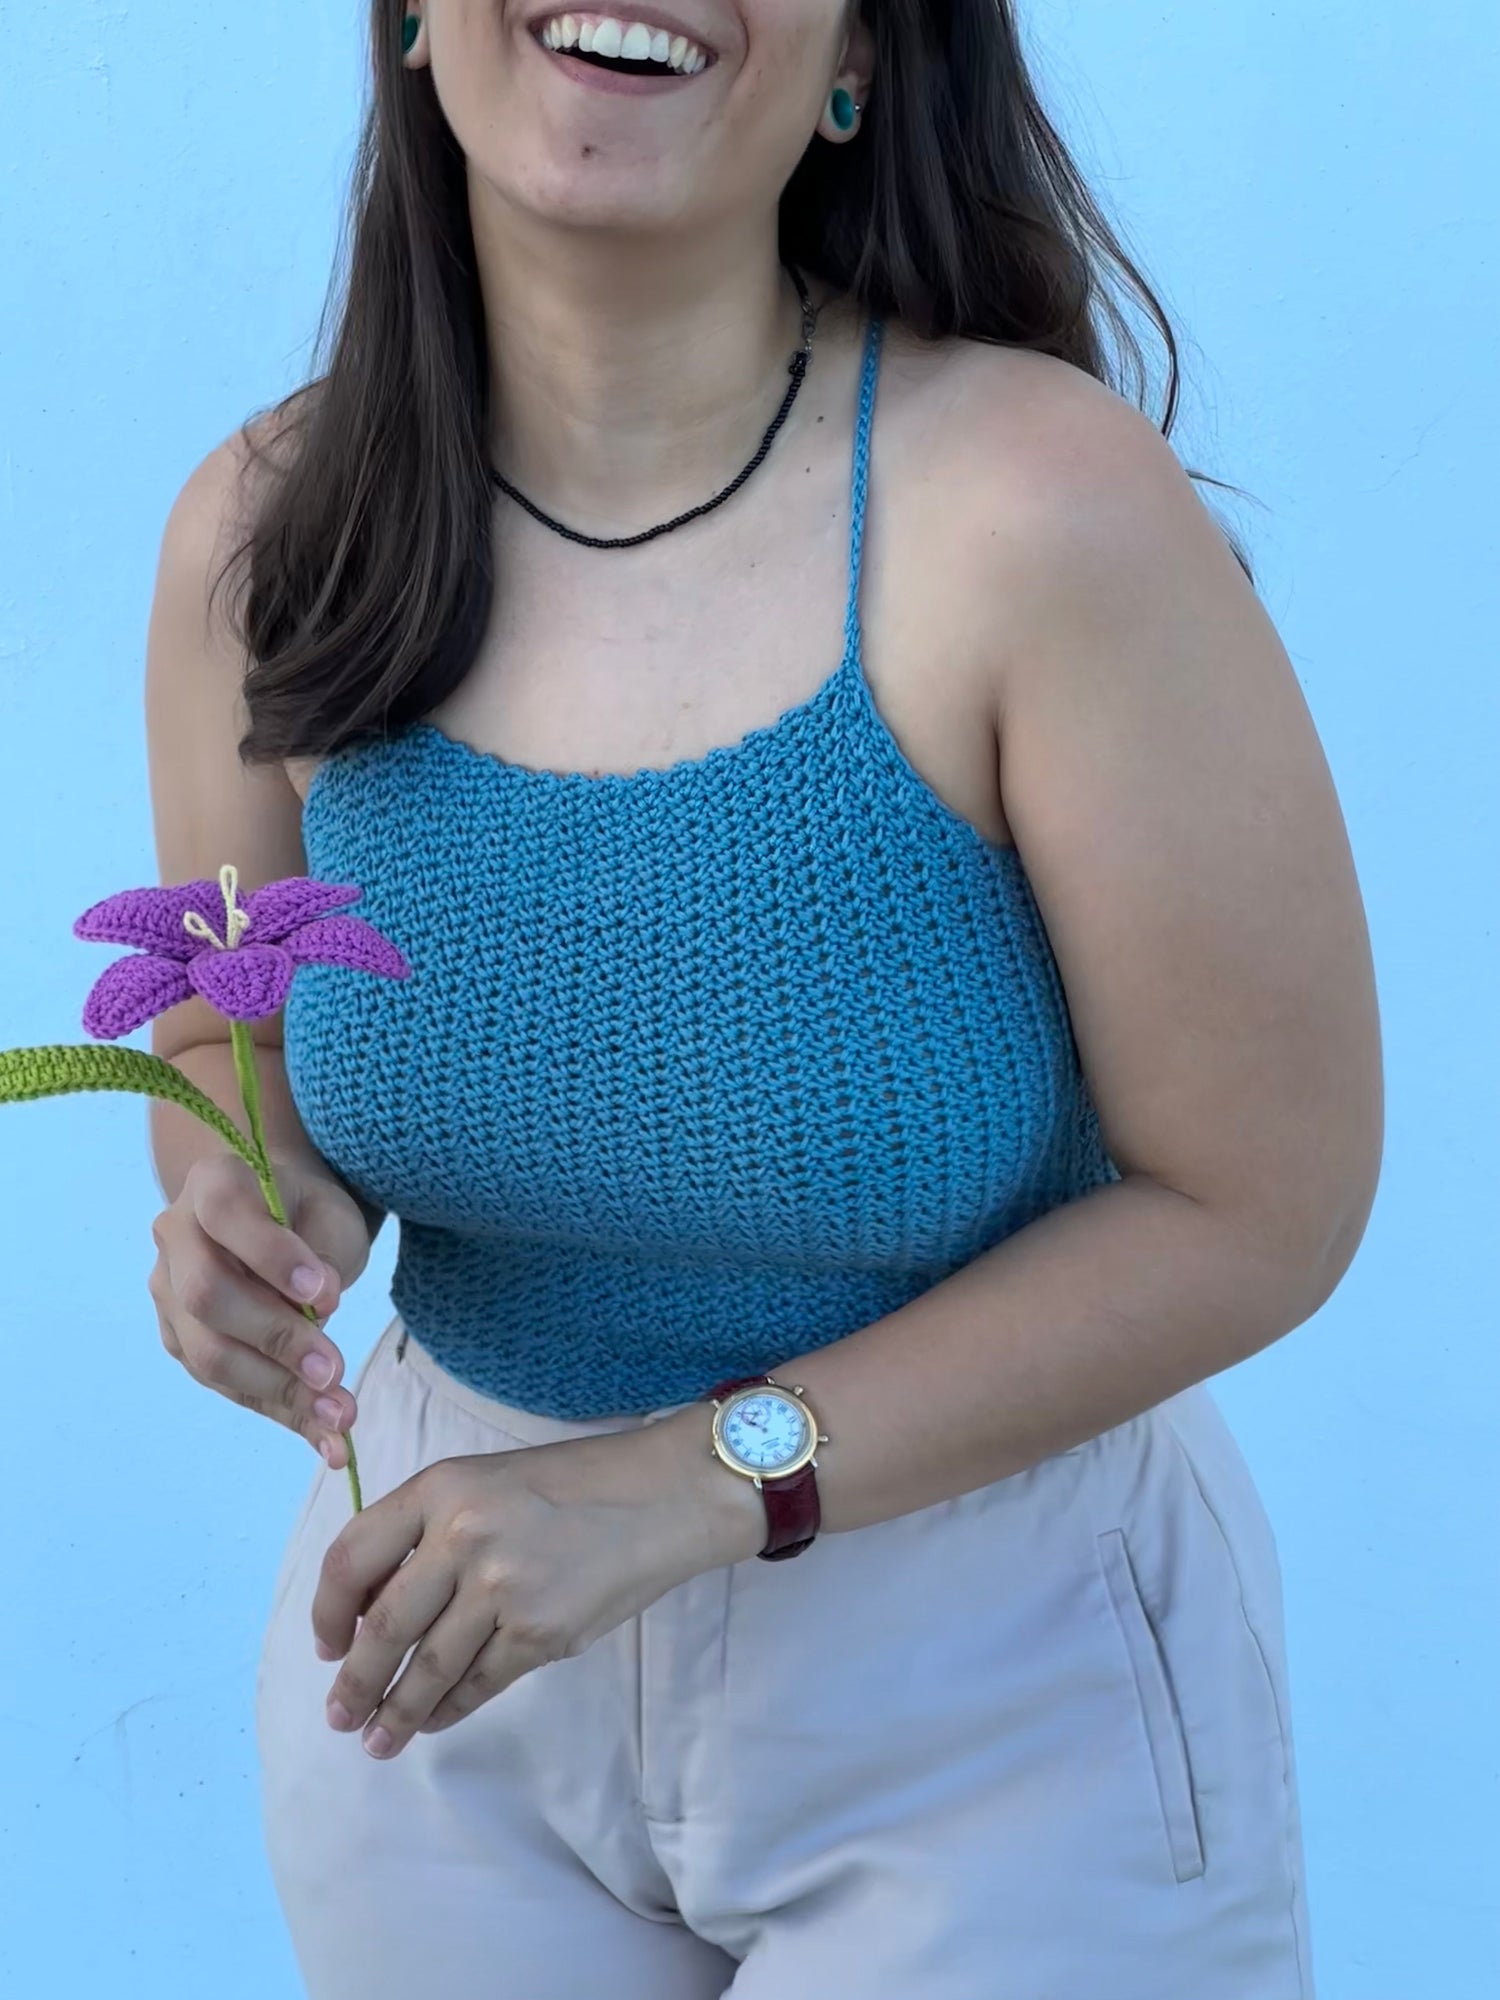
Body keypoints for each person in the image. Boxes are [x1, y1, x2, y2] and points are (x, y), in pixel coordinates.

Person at [141, 3, 1382, 1994]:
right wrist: (247, 1199)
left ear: (858, 57)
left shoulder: (1045, 513)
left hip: (992, 1678)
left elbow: (1262, 1203)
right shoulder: (266, 534)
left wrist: (686, 1486)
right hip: (439, 1684)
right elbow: (233, 1017)